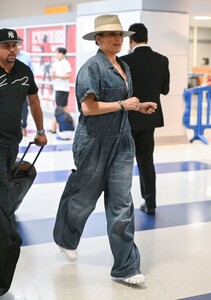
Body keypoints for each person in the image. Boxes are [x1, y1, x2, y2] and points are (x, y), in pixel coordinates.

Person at [53, 14, 157, 286]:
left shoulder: (124, 66)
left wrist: (138, 105)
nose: (118, 39)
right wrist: (124, 104)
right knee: (83, 198)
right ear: (98, 39)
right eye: (111, 35)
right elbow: (88, 108)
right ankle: (66, 238)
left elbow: (122, 103)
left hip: (122, 142)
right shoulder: (91, 68)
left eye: (120, 35)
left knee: (122, 203)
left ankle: (125, 267)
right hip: (93, 141)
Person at [121, 23, 170, 215]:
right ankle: (150, 202)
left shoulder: (124, 60)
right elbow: (165, 90)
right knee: (146, 161)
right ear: (147, 38)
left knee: (123, 162)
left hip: (128, 118)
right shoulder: (162, 60)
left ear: (130, 40)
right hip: (150, 117)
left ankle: (123, 205)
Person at [0, 28, 47, 221]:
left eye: (15, 45)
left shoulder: (24, 71)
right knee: (1, 187)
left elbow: (34, 101)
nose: (12, 49)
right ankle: (8, 238)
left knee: (6, 182)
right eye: (6, 46)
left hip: (13, 140)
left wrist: (41, 130)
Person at [50, 47, 72, 133]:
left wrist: (57, 76)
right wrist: (53, 76)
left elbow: (69, 75)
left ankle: (55, 128)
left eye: (58, 53)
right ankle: (60, 127)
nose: (56, 55)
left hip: (63, 89)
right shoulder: (55, 63)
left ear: (63, 54)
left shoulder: (66, 63)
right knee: (62, 108)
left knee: (60, 108)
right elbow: (53, 75)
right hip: (57, 88)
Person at [17, 37, 35, 136]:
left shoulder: (26, 56)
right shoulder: (8, 55)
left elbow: (32, 70)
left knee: (24, 108)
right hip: (10, 88)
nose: (18, 45)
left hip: (24, 87)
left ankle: (24, 126)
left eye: (20, 43)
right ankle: (16, 127)